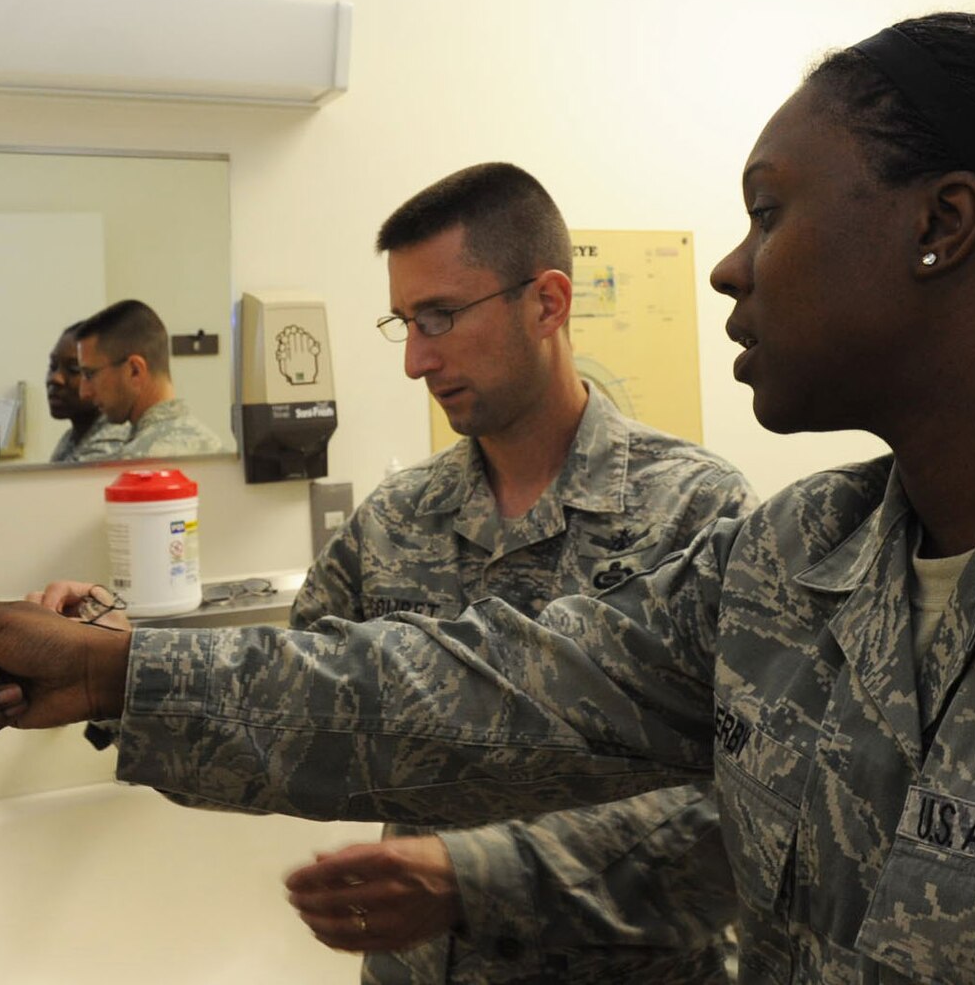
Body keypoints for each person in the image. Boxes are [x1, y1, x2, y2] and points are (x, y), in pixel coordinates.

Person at [0, 13, 975, 983]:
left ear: (944, 224)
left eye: (770, 209)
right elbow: (475, 685)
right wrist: (111, 669)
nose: (726, 261)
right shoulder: (803, 566)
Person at [38, 162, 755, 983]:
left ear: (548, 302)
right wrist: (105, 654)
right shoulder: (397, 518)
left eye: (442, 317)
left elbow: (742, 815)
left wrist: (480, 881)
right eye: (405, 322)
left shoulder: (698, 514)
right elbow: (284, 710)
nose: (416, 359)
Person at [75, 298, 225, 458]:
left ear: (134, 371)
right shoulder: (216, 449)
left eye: (90, 374)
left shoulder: (136, 463)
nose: (84, 392)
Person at [44, 321, 125, 462]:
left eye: (74, 369)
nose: (55, 378)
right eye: (53, 366)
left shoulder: (111, 440)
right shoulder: (72, 437)